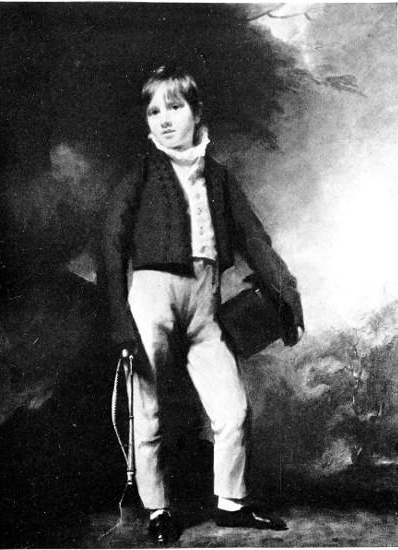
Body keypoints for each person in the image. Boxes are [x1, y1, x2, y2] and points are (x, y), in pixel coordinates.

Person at [102, 65, 304, 544]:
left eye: (175, 107)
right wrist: (120, 320)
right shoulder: (141, 173)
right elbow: (111, 244)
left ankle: (231, 503)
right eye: (154, 111)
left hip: (205, 302)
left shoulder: (218, 176)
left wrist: (287, 294)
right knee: (147, 409)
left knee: (233, 409)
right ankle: (157, 509)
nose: (164, 119)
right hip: (152, 295)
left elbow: (253, 238)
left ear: (196, 112)